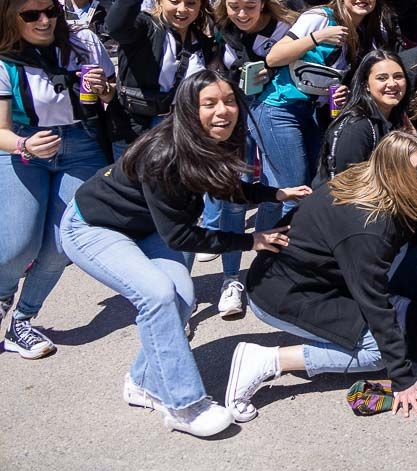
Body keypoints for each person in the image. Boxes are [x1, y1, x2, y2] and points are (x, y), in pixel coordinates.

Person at [61, 71, 304, 436]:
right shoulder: (164, 155)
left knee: (181, 298)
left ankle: (142, 382)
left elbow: (223, 182)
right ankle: (185, 406)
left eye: (229, 101)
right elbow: (179, 236)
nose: (223, 111)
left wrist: (275, 195)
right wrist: (250, 240)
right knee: (157, 295)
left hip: (147, 228)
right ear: (190, 110)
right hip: (94, 227)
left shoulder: (210, 142)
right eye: (210, 104)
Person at [230, 131, 417, 423]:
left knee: (394, 319)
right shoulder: (369, 226)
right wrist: (403, 379)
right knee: (378, 352)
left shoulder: (371, 180)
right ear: (393, 173)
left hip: (306, 276)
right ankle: (268, 360)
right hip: (281, 293)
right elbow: (375, 303)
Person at [0, 0, 114, 358]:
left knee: (64, 244)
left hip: (80, 145)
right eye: (31, 15)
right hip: (22, 146)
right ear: (11, 18)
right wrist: (24, 144)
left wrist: (102, 90)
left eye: (50, 11)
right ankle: (2, 295)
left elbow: (107, 95)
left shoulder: (81, 44)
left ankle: (22, 320)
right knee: (17, 248)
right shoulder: (4, 61)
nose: (44, 21)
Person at [200, 0, 298, 316]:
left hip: (274, 118)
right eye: (235, 7)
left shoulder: (285, 29)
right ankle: (230, 280)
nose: (243, 14)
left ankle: (265, 271)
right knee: (235, 201)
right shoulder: (218, 31)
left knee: (274, 196)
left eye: (250, 6)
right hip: (232, 126)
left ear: (263, 3)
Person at [262, 0, 382, 221]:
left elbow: (328, 81)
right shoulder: (320, 17)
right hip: (280, 108)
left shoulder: (366, 34)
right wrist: (318, 37)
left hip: (314, 114)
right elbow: (274, 58)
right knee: (294, 189)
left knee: (314, 185)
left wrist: (338, 96)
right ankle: (276, 253)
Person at [108, 0, 214, 156]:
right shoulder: (144, 28)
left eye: (191, 3)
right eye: (174, 1)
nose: (182, 9)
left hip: (183, 130)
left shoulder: (203, 41)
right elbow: (115, 26)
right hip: (137, 131)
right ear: (160, 0)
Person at [316, 49, 413, 181]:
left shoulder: (396, 118)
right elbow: (346, 184)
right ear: (365, 85)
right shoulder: (356, 127)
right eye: (382, 78)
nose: (392, 84)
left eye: (398, 76)